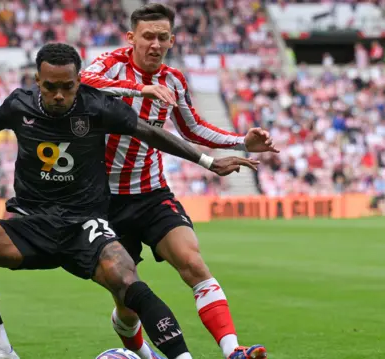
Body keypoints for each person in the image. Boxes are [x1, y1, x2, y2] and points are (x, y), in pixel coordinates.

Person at [0, 43, 259, 359]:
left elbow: (150, 133)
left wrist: (208, 161)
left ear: (79, 81)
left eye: (67, 86)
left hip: (85, 223)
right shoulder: (20, 104)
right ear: (37, 82)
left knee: (128, 282)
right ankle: (0, 349)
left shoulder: (97, 106)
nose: (59, 95)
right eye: (50, 87)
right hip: (32, 222)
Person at [80, 4, 278, 359]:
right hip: (104, 201)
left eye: (162, 37)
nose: (155, 44)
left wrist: (241, 141)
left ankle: (233, 351)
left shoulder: (174, 80)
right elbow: (82, 83)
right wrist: (140, 91)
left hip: (152, 193)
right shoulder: (110, 64)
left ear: (171, 39)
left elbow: (193, 127)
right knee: (127, 296)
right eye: (147, 37)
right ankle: (146, 355)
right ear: (131, 38)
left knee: (193, 263)